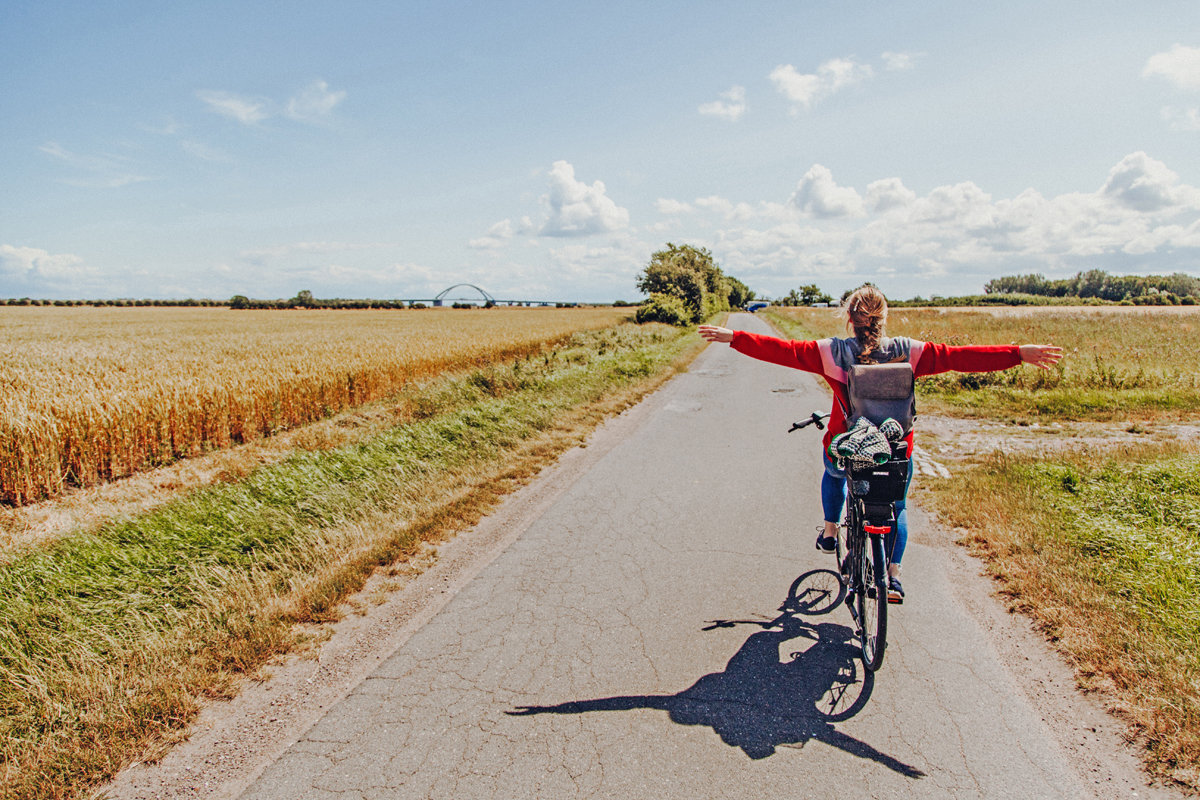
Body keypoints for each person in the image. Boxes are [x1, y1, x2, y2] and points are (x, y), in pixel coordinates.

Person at [699, 285, 1062, 602]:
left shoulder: (832, 352)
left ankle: (829, 531)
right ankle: (893, 576)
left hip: (848, 443)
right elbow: (958, 357)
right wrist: (1017, 353)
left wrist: (735, 338)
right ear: (884, 317)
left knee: (834, 471)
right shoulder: (909, 351)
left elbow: (784, 350)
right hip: (895, 449)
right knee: (896, 506)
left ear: (849, 319)